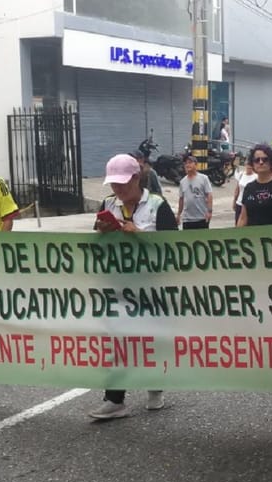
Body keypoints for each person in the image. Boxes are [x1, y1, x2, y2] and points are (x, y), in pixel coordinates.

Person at [88, 154, 177, 420]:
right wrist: (104, 232)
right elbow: (96, 244)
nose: (117, 190)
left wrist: (138, 233)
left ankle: (155, 388)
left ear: (137, 178)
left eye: (123, 184)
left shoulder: (158, 206)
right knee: (116, 339)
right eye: (113, 184)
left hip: (152, 286)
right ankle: (114, 399)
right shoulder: (108, 204)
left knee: (150, 339)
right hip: (117, 284)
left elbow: (173, 246)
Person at [237, 144, 272, 226]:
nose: (261, 162)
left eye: (265, 159)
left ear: (271, 161)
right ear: (252, 164)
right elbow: (243, 218)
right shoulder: (249, 188)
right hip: (252, 237)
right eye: (257, 160)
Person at [176, 154, 213, 230]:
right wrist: (179, 214)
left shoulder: (204, 178)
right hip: (187, 219)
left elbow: (209, 195)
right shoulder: (182, 182)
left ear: (196, 165)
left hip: (201, 217)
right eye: (186, 163)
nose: (187, 165)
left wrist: (209, 211)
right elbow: (181, 199)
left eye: (190, 162)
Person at [233, 157, 256, 224]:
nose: (249, 167)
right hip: (239, 203)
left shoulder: (256, 176)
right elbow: (237, 189)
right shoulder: (241, 174)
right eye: (248, 165)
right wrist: (234, 201)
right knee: (238, 222)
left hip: (251, 204)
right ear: (245, 165)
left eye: (251, 165)